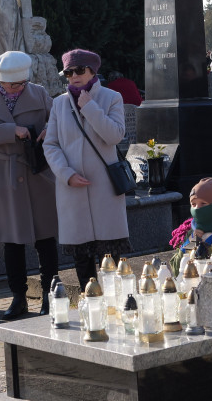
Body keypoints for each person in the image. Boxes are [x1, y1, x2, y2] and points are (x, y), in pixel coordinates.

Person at [0, 51, 58, 320]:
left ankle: (50, 296)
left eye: (22, 84)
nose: (18, 89)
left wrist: (48, 130)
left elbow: (58, 118)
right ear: (0, 81)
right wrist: (10, 130)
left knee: (45, 237)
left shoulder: (38, 93)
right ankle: (18, 298)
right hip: (4, 173)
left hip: (37, 170)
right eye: (12, 85)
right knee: (11, 239)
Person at [42, 49, 127, 289]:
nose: (73, 76)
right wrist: (66, 175)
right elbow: (51, 144)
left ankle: (116, 308)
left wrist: (90, 107)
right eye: (68, 72)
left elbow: (114, 136)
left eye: (79, 70)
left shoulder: (111, 97)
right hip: (73, 190)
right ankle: (90, 308)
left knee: (110, 261)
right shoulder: (59, 104)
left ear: (92, 71)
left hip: (105, 190)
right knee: (82, 262)